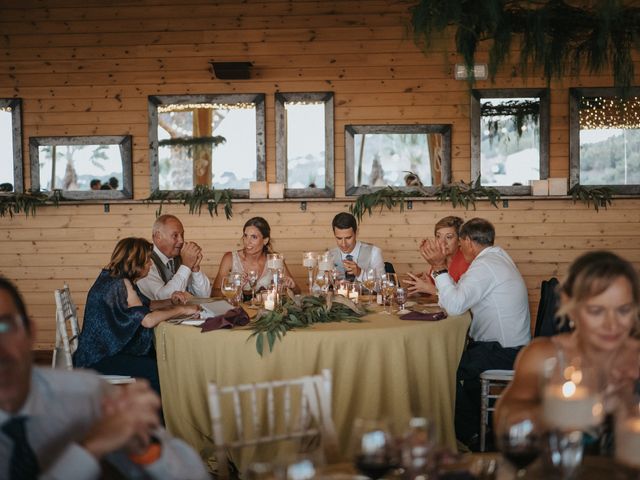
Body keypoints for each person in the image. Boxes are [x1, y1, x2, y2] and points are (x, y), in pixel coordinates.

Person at [0, 276, 209, 479]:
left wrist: (147, 449)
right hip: (98, 355)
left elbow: (193, 474)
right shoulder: (116, 285)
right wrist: (89, 449)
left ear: (29, 333)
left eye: (4, 327)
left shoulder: (86, 393)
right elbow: (145, 319)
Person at [496, 250, 640, 450]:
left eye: (623, 310)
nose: (612, 325)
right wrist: (567, 410)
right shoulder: (544, 355)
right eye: (596, 311)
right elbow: (506, 422)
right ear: (569, 306)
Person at [421, 217, 531, 450]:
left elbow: (455, 305)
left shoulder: (485, 266)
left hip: (505, 351)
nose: (460, 248)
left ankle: (472, 435)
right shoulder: (496, 258)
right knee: (458, 361)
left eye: (460, 243)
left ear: (468, 242)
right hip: (506, 346)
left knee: (441, 367)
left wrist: (440, 268)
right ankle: (480, 427)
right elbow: (460, 297)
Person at [74, 237, 200, 395]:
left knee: (159, 358)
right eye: (147, 260)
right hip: (99, 358)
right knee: (155, 369)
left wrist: (171, 302)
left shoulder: (112, 277)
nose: (151, 264)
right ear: (136, 262)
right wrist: (182, 310)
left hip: (100, 350)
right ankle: (158, 417)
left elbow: (143, 305)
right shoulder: (120, 284)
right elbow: (148, 320)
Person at [213, 216, 300, 295]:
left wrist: (292, 286)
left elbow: (297, 292)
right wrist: (235, 288)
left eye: (254, 237)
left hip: (267, 311)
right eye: (246, 236)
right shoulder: (230, 258)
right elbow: (214, 293)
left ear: (265, 240)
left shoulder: (275, 260)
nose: (248, 241)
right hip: (237, 311)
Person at [137, 214, 211, 301]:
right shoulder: (144, 260)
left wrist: (195, 268)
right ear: (158, 236)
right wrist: (186, 266)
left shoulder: (181, 257)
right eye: (175, 235)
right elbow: (162, 298)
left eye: (182, 235)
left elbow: (204, 296)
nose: (181, 240)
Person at [404, 216, 470, 296]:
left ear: (460, 241)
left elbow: (460, 300)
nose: (442, 242)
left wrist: (429, 288)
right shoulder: (440, 259)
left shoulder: (466, 262)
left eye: (449, 237)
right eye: (438, 236)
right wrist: (417, 285)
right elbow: (433, 292)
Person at [327, 212, 385, 282]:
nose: (343, 244)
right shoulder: (329, 255)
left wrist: (360, 273)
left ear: (356, 232)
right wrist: (327, 281)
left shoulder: (374, 252)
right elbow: (317, 288)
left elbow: (383, 285)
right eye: (339, 238)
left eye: (348, 238)